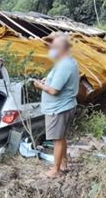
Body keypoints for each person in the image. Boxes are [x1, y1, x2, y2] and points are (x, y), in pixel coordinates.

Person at [33, 34, 79, 178]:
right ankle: (63, 163)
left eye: (54, 47)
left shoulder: (64, 65)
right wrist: (49, 79)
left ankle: (56, 169)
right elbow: (58, 81)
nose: (51, 50)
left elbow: (53, 90)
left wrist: (40, 85)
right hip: (65, 106)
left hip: (58, 109)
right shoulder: (68, 62)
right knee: (62, 137)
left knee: (57, 140)